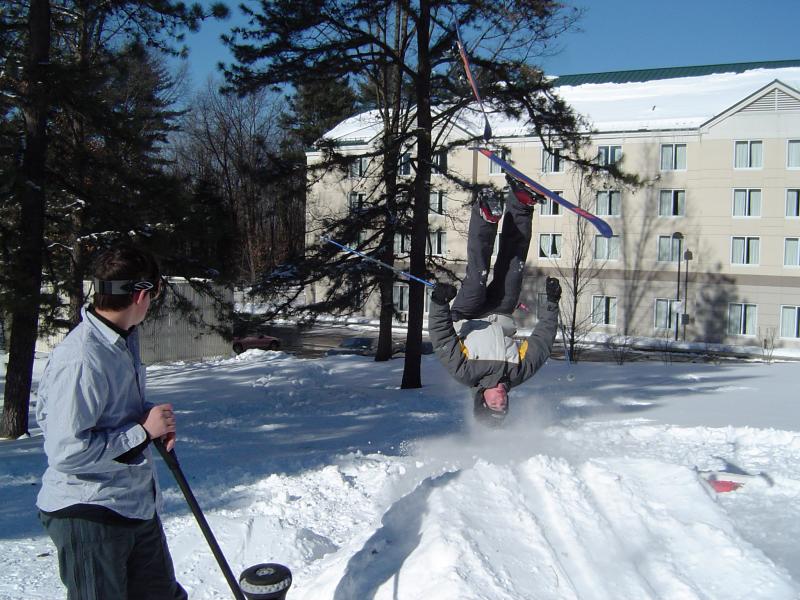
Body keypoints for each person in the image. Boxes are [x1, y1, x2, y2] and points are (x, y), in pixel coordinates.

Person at [36, 244, 187, 599]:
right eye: (157, 291)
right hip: (90, 512)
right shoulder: (82, 359)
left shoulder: (120, 340)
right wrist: (142, 432)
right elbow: (67, 451)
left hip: (132, 504)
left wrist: (152, 420)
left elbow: (112, 411)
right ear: (141, 294)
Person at [428, 177, 562, 426]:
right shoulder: (518, 371)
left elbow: (441, 337)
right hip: (501, 312)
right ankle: (521, 205)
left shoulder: (465, 372)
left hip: (467, 314)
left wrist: (439, 303)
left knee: (478, 271)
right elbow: (542, 341)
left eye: (494, 404)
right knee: (514, 268)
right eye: (504, 405)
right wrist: (552, 303)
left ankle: (485, 214)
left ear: (482, 399)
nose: (500, 400)